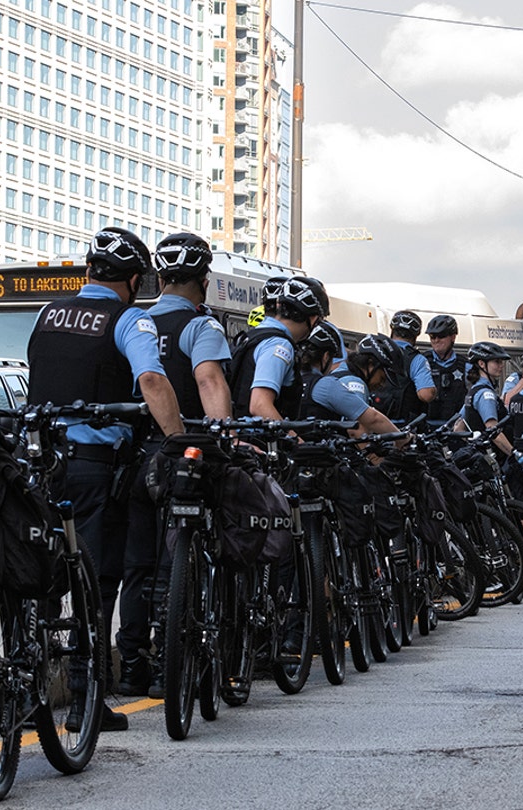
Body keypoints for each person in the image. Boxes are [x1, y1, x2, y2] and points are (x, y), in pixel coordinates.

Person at [26, 226, 184, 732]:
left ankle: (26, 694)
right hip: (95, 468)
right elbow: (153, 381)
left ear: (89, 271)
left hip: (41, 464)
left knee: (41, 583)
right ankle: (83, 700)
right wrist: (177, 441)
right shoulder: (129, 319)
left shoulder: (47, 314)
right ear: (135, 280)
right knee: (96, 583)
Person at [117, 232, 232, 698]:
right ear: (203, 281)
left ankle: (130, 665)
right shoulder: (200, 326)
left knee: (136, 565)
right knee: (175, 561)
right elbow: (208, 380)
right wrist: (222, 436)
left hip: (135, 457)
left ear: (158, 278)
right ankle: (168, 665)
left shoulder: (135, 322)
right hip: (182, 454)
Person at [229, 277, 324, 419]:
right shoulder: (279, 345)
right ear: (313, 319)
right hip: (258, 438)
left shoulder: (252, 336)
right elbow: (260, 405)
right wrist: (294, 439)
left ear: (279, 304)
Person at [372, 310, 435, 422]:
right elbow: (426, 395)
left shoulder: (374, 350)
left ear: (392, 330)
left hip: (371, 421)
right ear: (415, 336)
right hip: (402, 427)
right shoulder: (417, 359)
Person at [423, 314, 467, 428]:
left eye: (441, 336)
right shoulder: (422, 361)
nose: (436, 340)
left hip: (456, 428)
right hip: (426, 427)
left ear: (453, 337)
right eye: (432, 337)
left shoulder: (466, 364)